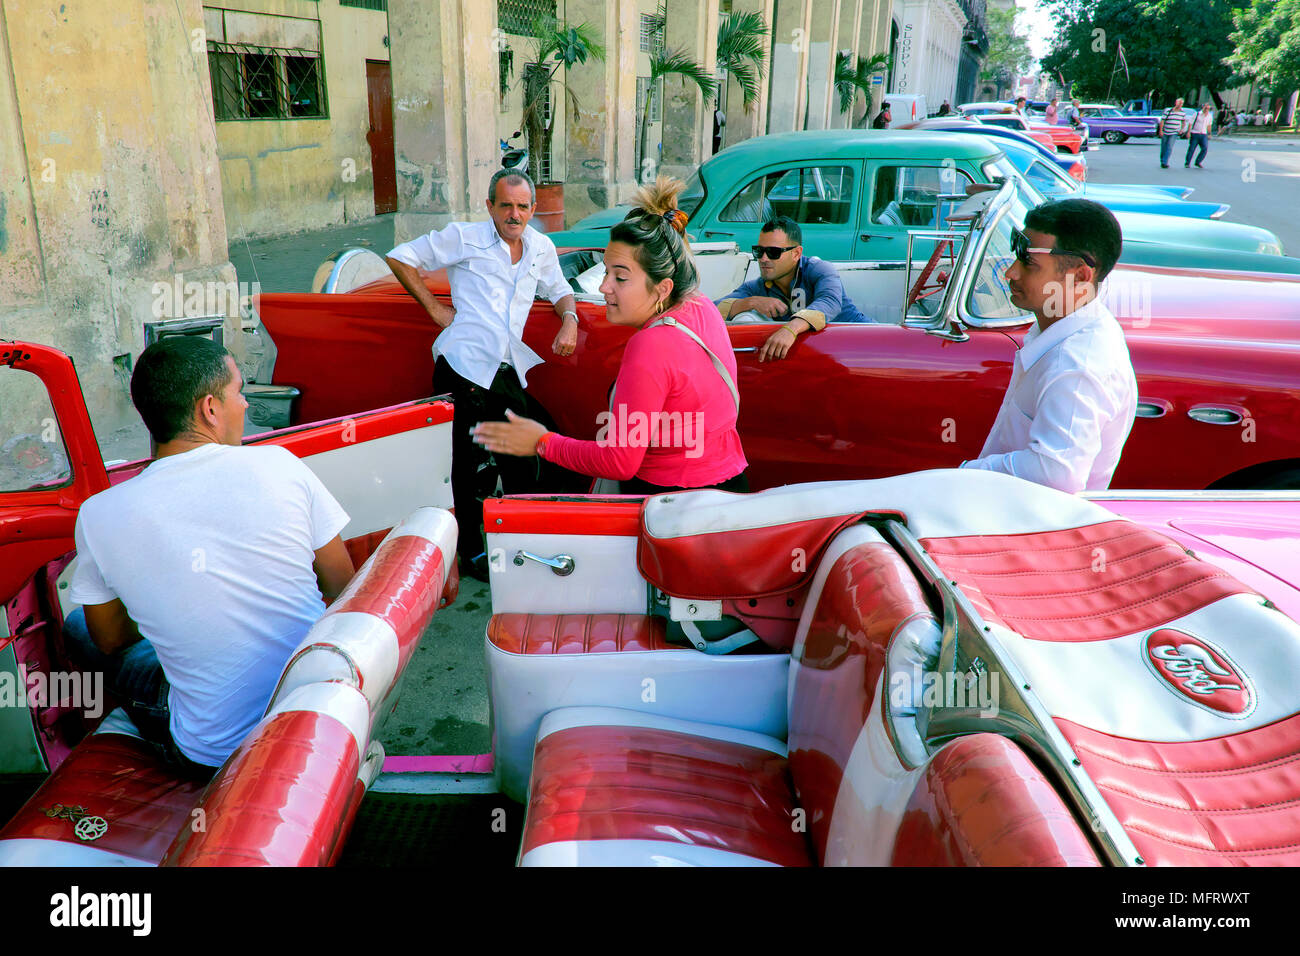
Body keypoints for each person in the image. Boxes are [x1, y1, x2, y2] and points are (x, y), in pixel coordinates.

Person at [66, 336, 355, 776]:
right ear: (210, 409)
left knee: (78, 629)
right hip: (317, 716)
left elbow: (109, 639)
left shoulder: (98, 513)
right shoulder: (280, 464)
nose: (245, 405)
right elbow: (342, 587)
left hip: (209, 756)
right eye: (239, 392)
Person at [472, 176, 748, 497]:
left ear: (663, 288)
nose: (604, 287)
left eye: (620, 277)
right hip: (728, 489)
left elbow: (620, 461)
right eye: (606, 271)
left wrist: (541, 441)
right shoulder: (701, 305)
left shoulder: (651, 345)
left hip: (671, 507)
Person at [385, 168, 582, 581]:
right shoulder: (464, 236)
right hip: (463, 366)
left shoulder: (540, 247)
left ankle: (517, 543)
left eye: (522, 206)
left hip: (505, 368)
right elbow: (401, 256)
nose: (514, 214)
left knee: (524, 459)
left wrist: (570, 321)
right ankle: (473, 553)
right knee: (464, 465)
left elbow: (560, 288)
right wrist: (436, 310)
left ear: (533, 208)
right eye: (505, 205)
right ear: (489, 205)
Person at [960, 199, 1136, 493]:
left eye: (1029, 263)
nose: (1011, 273)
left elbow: (1055, 475)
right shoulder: (1061, 325)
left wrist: (967, 473)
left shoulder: (1077, 364)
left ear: (1080, 275)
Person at [715, 216, 868, 360]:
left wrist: (791, 329)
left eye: (773, 252)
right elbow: (712, 310)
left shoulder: (819, 269)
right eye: (759, 251)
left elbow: (829, 302)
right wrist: (750, 302)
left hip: (862, 346)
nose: (763, 258)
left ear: (796, 253)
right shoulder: (758, 287)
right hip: (817, 357)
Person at [1157, 98, 1188, 168]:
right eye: (1179, 103)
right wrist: (1161, 130)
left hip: (1174, 132)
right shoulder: (1168, 111)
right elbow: (1162, 121)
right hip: (1165, 131)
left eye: (1182, 103)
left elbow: (1183, 122)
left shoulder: (1182, 113)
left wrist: (1181, 129)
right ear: (1176, 103)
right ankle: (1162, 160)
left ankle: (1165, 162)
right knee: (1163, 147)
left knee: (1169, 147)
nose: (1180, 104)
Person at [1185, 103, 1213, 168]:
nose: (1207, 110)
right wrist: (1188, 132)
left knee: (1205, 148)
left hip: (1203, 134)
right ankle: (1187, 162)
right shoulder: (1197, 114)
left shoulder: (1209, 116)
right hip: (1195, 133)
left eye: (1208, 108)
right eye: (1205, 108)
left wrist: (1209, 134)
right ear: (1203, 107)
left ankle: (1198, 162)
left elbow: (1209, 125)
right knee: (1192, 149)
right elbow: (1190, 123)